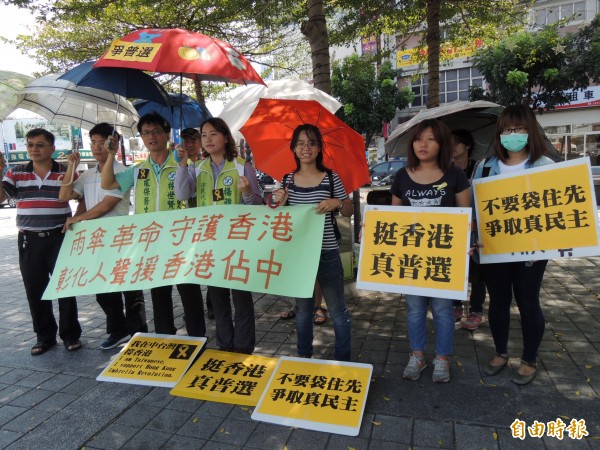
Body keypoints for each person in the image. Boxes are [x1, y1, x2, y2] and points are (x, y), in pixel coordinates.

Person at [101, 112, 206, 338]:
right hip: (152, 241)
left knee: (189, 291)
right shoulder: (138, 170)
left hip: (181, 239)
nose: (151, 136)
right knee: (159, 294)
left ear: (167, 134)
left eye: (156, 131)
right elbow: (108, 183)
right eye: (146, 133)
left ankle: (198, 338)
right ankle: (165, 337)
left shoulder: (184, 163)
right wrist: (110, 154)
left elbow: (193, 193)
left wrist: (183, 165)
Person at [473, 104, 554, 386]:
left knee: (528, 303)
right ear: (500, 134)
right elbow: (475, 211)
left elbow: (556, 214)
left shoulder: (546, 167)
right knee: (497, 302)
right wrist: (474, 239)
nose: (513, 134)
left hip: (532, 251)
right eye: (508, 129)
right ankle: (501, 352)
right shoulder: (484, 167)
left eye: (519, 129)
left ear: (530, 131)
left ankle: (530, 359)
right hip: (494, 248)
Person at [390, 119, 470, 383]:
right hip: (411, 257)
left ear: (442, 144)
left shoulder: (455, 175)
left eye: (431, 139)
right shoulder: (401, 176)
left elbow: (466, 217)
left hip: (444, 257)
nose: (422, 144)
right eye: (418, 139)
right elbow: (393, 219)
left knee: (443, 310)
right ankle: (417, 356)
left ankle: (442, 359)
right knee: (414, 308)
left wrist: (466, 245)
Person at [175, 117, 263, 354]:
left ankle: (244, 346)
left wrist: (245, 193)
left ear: (225, 137)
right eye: (204, 135)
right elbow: (182, 194)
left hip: (237, 243)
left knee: (241, 298)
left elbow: (257, 204)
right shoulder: (197, 167)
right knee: (217, 297)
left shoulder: (242, 166)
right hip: (209, 243)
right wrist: (182, 165)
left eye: (213, 134)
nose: (208, 139)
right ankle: (225, 344)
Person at [58, 123, 148, 350]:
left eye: (103, 142)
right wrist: (71, 166)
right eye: (94, 142)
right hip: (96, 241)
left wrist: (77, 219)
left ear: (114, 143)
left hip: (120, 239)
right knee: (103, 289)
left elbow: (107, 205)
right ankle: (118, 331)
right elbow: (65, 195)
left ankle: (138, 333)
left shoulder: (122, 171)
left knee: (129, 288)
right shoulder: (88, 174)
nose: (97, 147)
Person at [272, 124, 353, 361]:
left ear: (319, 148)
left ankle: (343, 359)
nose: (306, 148)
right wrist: (281, 202)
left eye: (311, 143)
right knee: (304, 311)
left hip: (327, 252)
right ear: (294, 149)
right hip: (299, 255)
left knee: (338, 311)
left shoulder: (331, 178)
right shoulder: (286, 180)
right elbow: (280, 218)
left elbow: (348, 210)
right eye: (300, 143)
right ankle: (303, 357)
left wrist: (337, 203)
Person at [0, 128, 82, 355]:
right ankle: (44, 336)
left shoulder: (65, 171)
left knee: (65, 286)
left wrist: (72, 167)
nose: (34, 149)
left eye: (39, 145)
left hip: (59, 237)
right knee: (34, 289)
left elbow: (75, 196)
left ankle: (70, 335)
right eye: (30, 145)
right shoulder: (16, 172)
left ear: (52, 148)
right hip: (28, 239)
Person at [451, 129, 487, 330]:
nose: (452, 147)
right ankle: (455, 305)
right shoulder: (445, 170)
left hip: (477, 227)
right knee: (455, 267)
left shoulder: (480, 168)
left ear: (467, 145)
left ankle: (476, 310)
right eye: (449, 143)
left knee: (478, 270)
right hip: (453, 228)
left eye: (456, 142)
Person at [176, 127, 214, 319]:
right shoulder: (181, 163)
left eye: (193, 141)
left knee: (210, 264)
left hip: (210, 225)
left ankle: (212, 304)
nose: (189, 145)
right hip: (189, 225)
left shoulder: (207, 164)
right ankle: (193, 308)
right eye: (185, 141)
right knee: (191, 267)